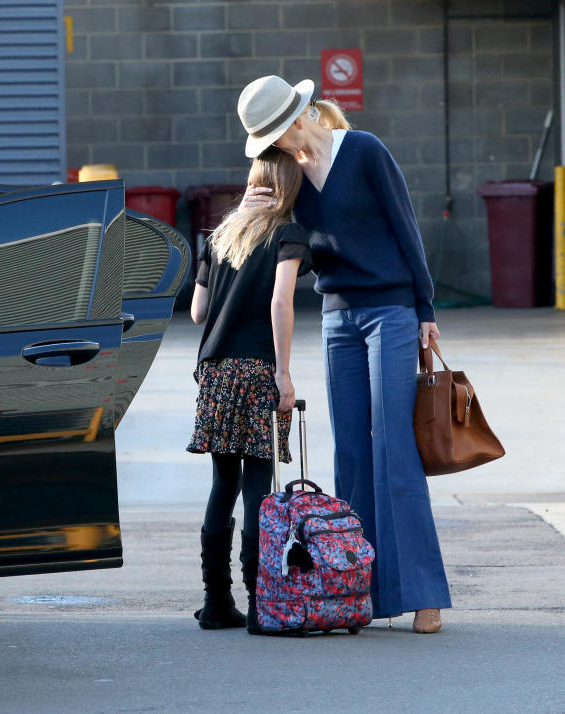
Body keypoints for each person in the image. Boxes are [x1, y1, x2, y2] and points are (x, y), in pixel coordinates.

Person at [237, 75, 451, 634]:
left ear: (297, 119)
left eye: (273, 136)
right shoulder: (282, 177)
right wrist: (250, 209)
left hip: (392, 313)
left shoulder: (364, 150)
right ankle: (359, 588)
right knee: (351, 455)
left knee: (394, 447)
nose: (273, 149)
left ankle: (423, 591)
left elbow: (407, 228)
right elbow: (257, 256)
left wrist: (425, 307)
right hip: (337, 321)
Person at [186, 147, 311, 631]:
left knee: (224, 485)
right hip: (258, 371)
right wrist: (283, 372)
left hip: (215, 374)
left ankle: (216, 602)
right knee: (259, 488)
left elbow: (198, 313)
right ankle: (264, 605)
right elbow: (282, 301)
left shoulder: (219, 235)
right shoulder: (289, 234)